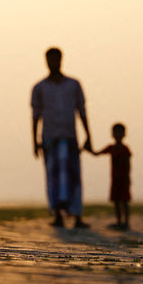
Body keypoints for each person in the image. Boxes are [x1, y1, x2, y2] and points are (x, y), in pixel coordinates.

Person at [31, 47, 92, 228]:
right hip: (50, 138)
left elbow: (82, 111)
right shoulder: (39, 88)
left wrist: (88, 136)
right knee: (53, 176)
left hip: (70, 137)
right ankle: (57, 214)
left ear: (61, 60)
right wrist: (34, 141)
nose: (53, 63)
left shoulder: (73, 85)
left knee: (73, 176)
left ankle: (76, 215)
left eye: (56, 59)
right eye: (50, 60)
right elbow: (35, 116)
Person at [90, 123, 132, 230]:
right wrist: (88, 148)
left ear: (124, 134)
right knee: (116, 201)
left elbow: (128, 164)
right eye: (115, 132)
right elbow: (96, 154)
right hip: (115, 179)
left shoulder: (125, 149)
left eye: (119, 132)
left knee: (125, 201)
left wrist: (128, 177)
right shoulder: (111, 148)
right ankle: (119, 221)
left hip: (123, 178)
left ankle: (126, 222)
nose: (117, 135)